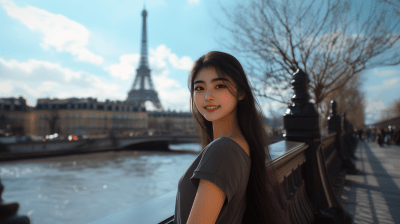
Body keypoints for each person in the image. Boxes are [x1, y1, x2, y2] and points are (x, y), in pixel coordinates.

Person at [173, 51, 286, 224]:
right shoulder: (242, 145)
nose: (207, 96)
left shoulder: (223, 150)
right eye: (199, 88)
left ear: (241, 92)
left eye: (219, 86)